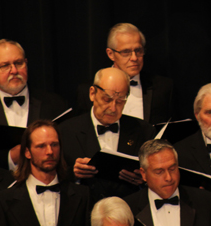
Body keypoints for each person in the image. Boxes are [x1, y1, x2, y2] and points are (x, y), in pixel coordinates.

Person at [59, 67, 156, 201]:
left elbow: (157, 177)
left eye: (120, 101)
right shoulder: (66, 131)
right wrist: (74, 173)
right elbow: (54, 176)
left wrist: (144, 179)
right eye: (107, 99)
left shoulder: (144, 131)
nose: (113, 108)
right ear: (92, 93)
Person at [0, 120, 90, 226]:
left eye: (54, 145)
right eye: (41, 146)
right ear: (27, 152)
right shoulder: (4, 200)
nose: (50, 151)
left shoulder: (82, 195)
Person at [0, 39, 69, 169]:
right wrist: (10, 157)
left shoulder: (54, 104)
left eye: (18, 63)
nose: (14, 71)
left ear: (26, 64)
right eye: (5, 66)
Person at [76, 23, 173, 124]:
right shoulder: (88, 91)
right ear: (111, 54)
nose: (134, 58)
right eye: (126, 52)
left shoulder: (163, 87)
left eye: (138, 50)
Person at [123, 139, 211, 226]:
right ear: (143, 174)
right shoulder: (127, 208)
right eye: (159, 172)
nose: (169, 178)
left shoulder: (206, 202)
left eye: (172, 169)